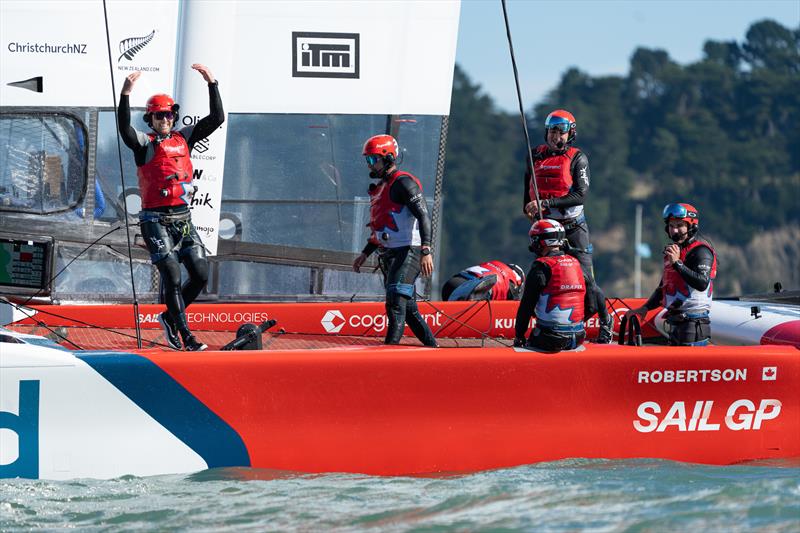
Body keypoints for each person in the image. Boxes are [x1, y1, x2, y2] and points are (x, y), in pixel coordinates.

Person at [118, 64, 224, 352]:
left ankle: (168, 317)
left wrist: (211, 83)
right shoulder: (144, 144)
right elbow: (125, 130)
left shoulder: (184, 138)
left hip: (183, 219)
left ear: (173, 116)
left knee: (201, 273)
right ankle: (187, 336)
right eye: (158, 115)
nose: (164, 119)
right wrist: (126, 94)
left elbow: (217, 118)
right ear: (150, 119)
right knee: (173, 276)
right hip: (155, 220)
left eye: (167, 114)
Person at [522, 109, 613, 343]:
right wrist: (529, 208)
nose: (556, 137)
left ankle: (605, 321)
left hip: (573, 227)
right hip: (547, 229)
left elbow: (580, 195)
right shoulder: (534, 156)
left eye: (561, 133)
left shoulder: (578, 158)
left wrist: (547, 202)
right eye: (552, 132)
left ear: (570, 134)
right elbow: (527, 189)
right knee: (542, 276)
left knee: (586, 279)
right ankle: (542, 323)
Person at [352, 134, 438, 347]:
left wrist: (426, 250)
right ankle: (433, 347)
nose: (369, 164)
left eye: (373, 159)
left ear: (388, 158)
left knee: (395, 303)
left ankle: (388, 353)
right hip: (391, 253)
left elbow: (424, 215)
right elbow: (382, 226)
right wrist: (365, 253)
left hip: (410, 250)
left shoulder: (403, 183)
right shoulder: (382, 186)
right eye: (368, 160)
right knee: (408, 308)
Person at [625, 203, 717, 346]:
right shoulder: (674, 252)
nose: (675, 230)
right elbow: (663, 288)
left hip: (693, 326)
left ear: (691, 227)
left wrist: (677, 263)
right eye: (671, 226)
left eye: (680, 225)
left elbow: (702, 283)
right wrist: (645, 308)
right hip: (676, 326)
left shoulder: (701, 251)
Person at [514, 219, 586, 352]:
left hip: (550, 338)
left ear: (540, 241)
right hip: (579, 336)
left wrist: (519, 336)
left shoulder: (541, 266)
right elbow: (593, 297)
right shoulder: (576, 263)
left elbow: (526, 305)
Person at [441, 261, 525, 301]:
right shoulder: (512, 279)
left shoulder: (494, 263)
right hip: (468, 291)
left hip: (450, 284)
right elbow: (513, 310)